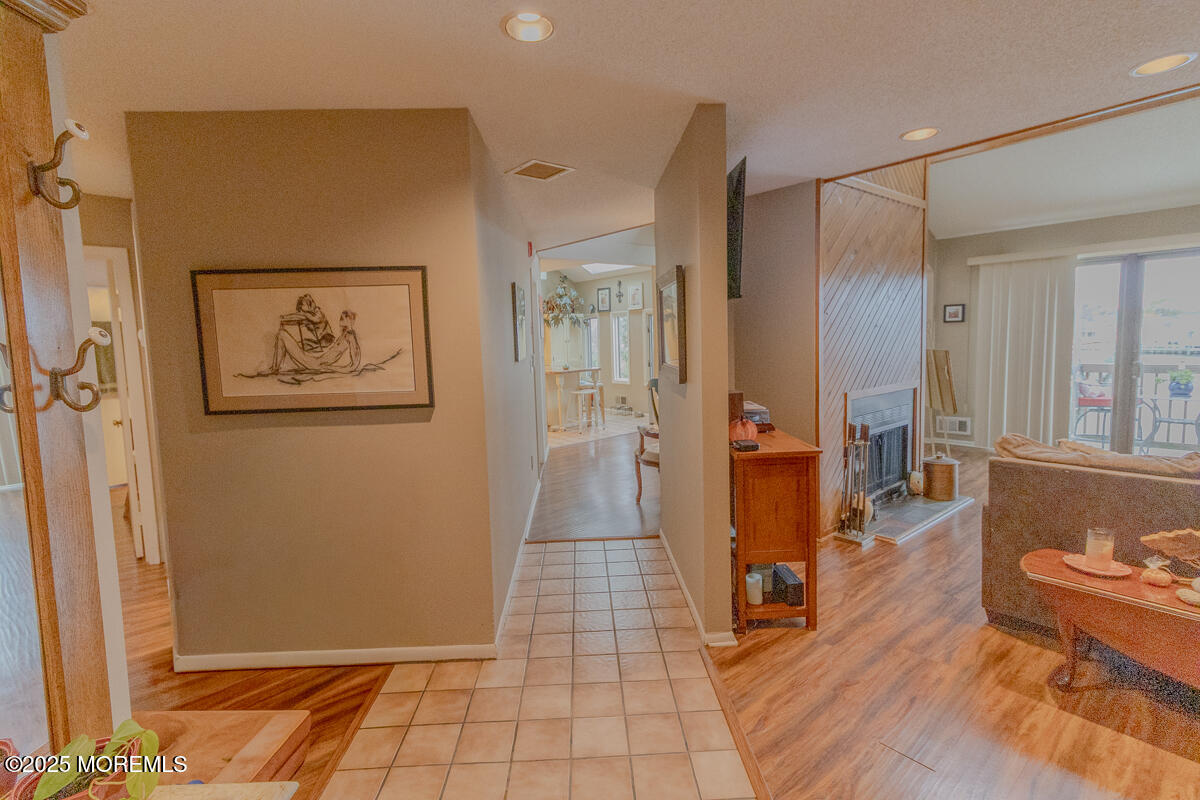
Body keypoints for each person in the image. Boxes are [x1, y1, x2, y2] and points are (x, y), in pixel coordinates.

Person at [270, 308, 362, 375]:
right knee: (281, 334)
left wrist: (333, 369)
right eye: (341, 318)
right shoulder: (344, 335)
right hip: (315, 360)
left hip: (316, 364)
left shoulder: (350, 336)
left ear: (349, 321)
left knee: (282, 334)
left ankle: (274, 369)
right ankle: (275, 368)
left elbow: (354, 365)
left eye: (342, 318)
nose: (340, 320)